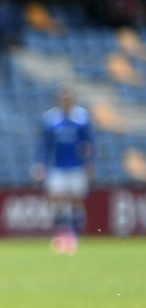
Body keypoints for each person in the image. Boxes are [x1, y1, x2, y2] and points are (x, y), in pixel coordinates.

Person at [32, 89, 93, 254]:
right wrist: (40, 164)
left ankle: (74, 236)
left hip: (77, 167)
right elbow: (44, 144)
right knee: (57, 202)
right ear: (58, 100)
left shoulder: (82, 118)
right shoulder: (50, 119)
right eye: (63, 99)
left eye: (68, 99)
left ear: (72, 100)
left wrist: (89, 164)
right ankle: (61, 234)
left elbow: (88, 143)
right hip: (57, 167)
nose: (65, 101)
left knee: (76, 202)